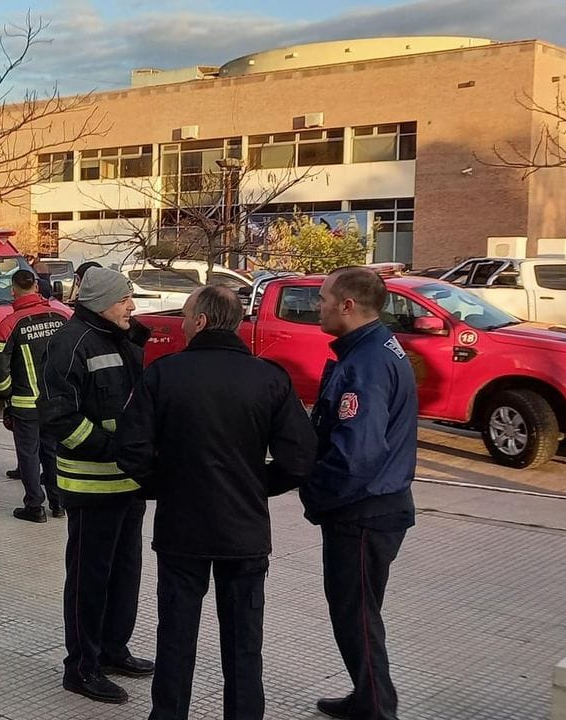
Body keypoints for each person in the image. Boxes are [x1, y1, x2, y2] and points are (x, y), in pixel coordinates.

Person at [115, 285, 318, 720]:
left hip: (181, 530)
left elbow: (130, 449)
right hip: (243, 532)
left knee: (175, 637)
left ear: (202, 322)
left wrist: (165, 486)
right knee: (245, 643)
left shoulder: (163, 374)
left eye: (187, 316)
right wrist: (254, 484)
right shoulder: (269, 378)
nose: (183, 324)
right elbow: (300, 459)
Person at [304, 267, 418, 720]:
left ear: (347, 305)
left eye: (323, 297)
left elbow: (357, 454)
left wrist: (313, 489)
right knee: (359, 613)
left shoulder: (366, 363)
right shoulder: (374, 346)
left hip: (364, 511)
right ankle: (367, 695)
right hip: (374, 506)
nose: (318, 305)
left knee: (357, 618)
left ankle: (377, 709)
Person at [41, 266, 153, 705]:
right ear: (102, 301)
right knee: (89, 580)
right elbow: (59, 418)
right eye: (126, 298)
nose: (133, 305)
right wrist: (114, 447)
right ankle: (81, 667)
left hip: (129, 484)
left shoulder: (120, 339)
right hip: (92, 487)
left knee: (125, 575)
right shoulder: (70, 344)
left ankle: (112, 650)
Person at [0, 269, 70, 523]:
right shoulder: (61, 317)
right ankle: (58, 504)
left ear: (13, 290)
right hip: (55, 403)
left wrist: (4, 394)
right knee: (53, 452)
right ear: (36, 287)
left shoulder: (10, 324)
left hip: (25, 404)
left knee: (28, 455)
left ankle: (34, 506)